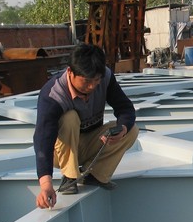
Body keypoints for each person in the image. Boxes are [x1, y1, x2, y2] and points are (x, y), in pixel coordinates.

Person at [33, 44, 139, 209]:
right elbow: (43, 139)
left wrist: (122, 128)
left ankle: (95, 176)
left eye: (96, 80)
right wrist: (46, 184)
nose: (92, 86)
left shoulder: (105, 77)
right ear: (70, 72)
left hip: (87, 144)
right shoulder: (53, 94)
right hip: (59, 152)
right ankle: (70, 177)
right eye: (87, 81)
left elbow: (125, 108)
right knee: (69, 118)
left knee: (131, 130)